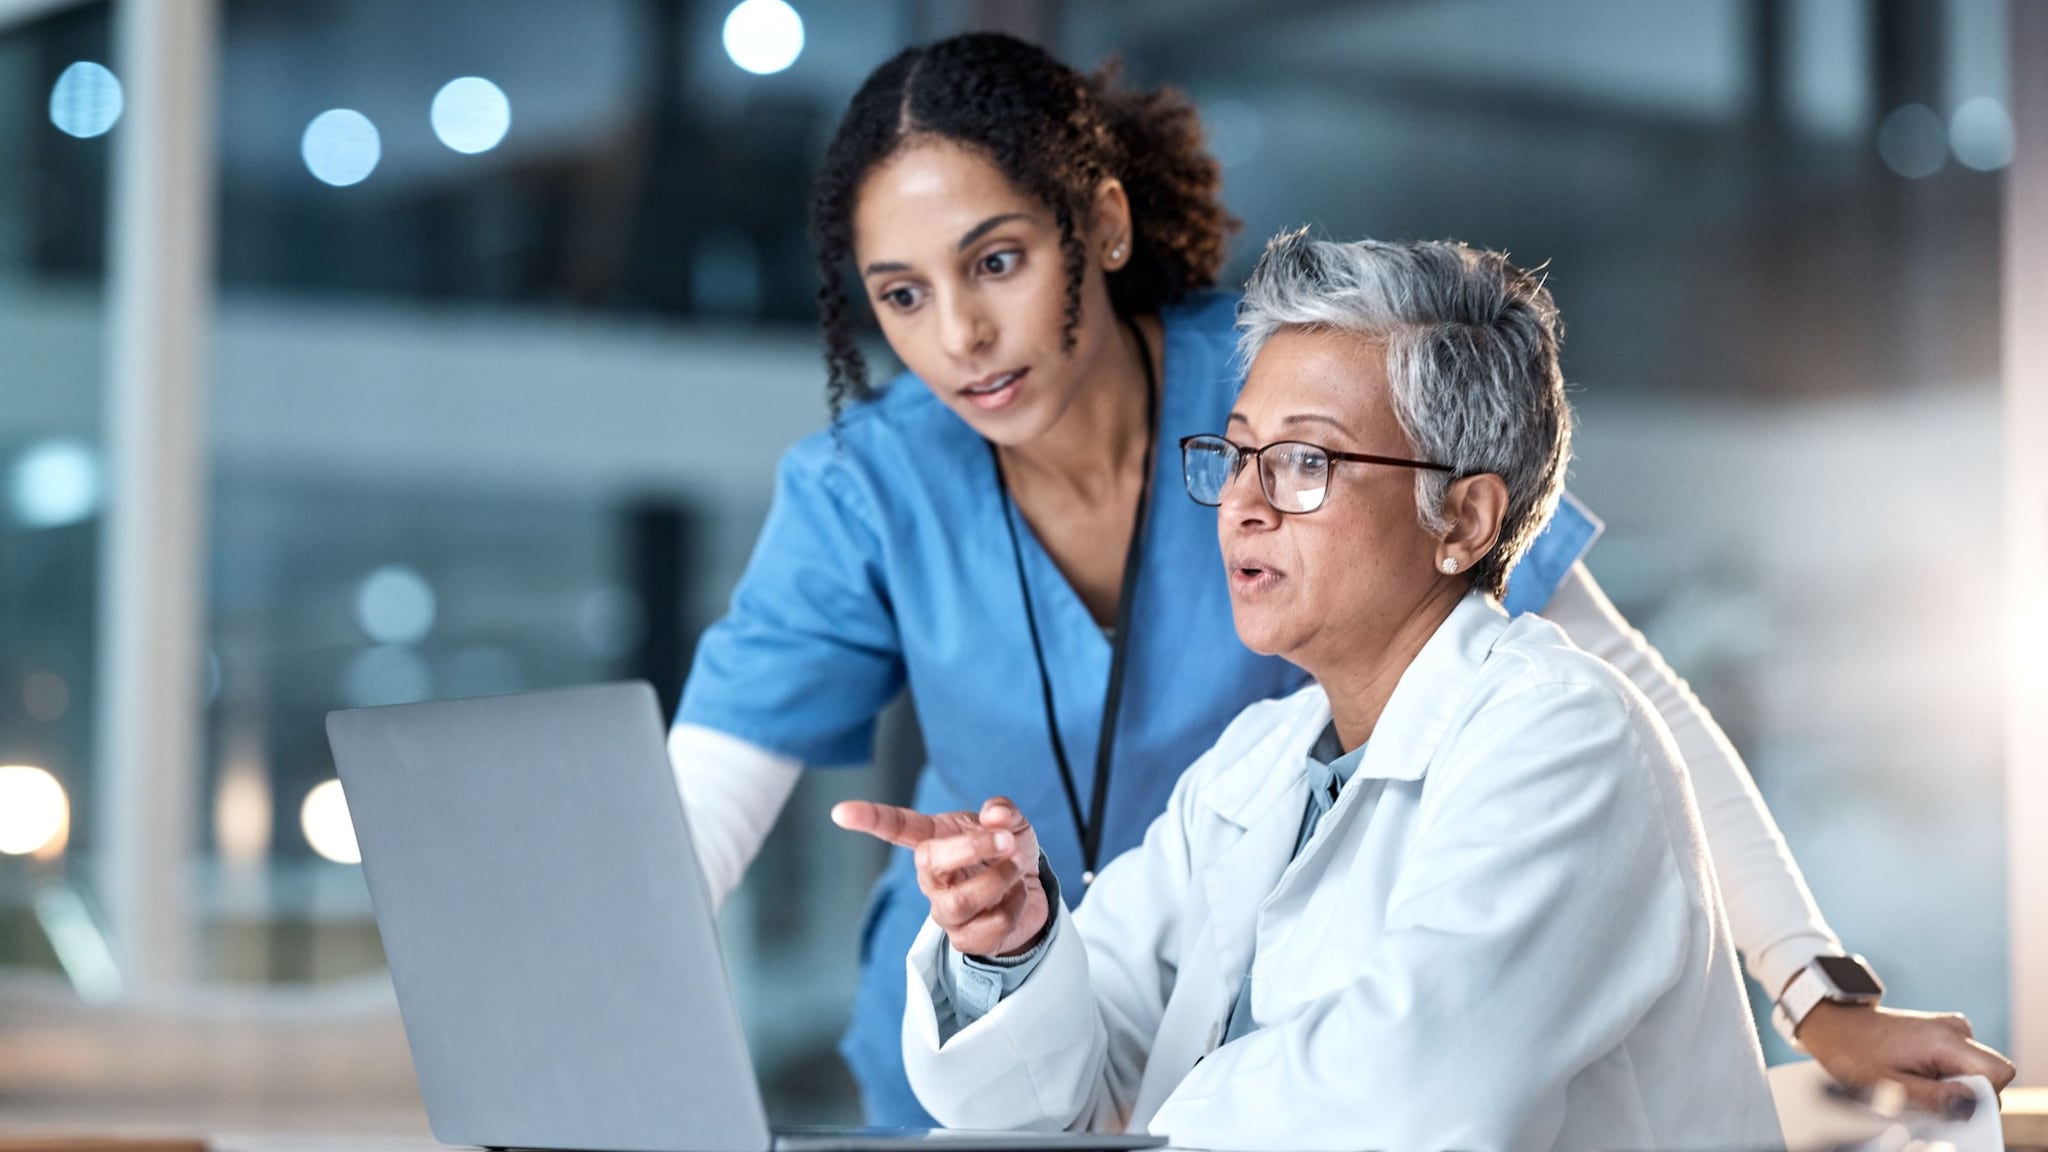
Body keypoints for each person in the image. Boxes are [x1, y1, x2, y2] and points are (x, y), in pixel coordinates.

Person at [667, 31, 2014, 1125]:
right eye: (899, 295)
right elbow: (688, 834)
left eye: (998, 263)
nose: (958, 336)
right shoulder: (887, 495)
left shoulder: (1303, 392)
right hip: (1063, 1038)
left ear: (1104, 226)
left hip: (1264, 1075)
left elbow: (1624, 696)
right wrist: (1007, 941)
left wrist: (1812, 985)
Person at [835, 233, 1785, 1151]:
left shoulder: (1564, 737)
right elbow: (1072, 1081)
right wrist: (1012, 951)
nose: (1244, 503)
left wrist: (1160, 1112)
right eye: (1239, 453)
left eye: (1304, 462)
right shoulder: (1262, 760)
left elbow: (1414, 1103)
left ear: (1462, 518)